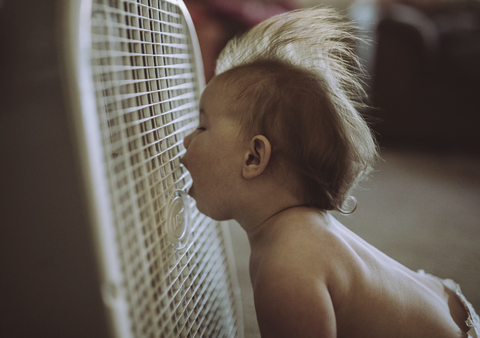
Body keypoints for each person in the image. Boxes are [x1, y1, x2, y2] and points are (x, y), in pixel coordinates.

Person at [180, 6, 480, 337]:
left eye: (202, 127)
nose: (186, 139)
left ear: (254, 157)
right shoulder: (302, 234)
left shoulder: (286, 268)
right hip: (445, 303)